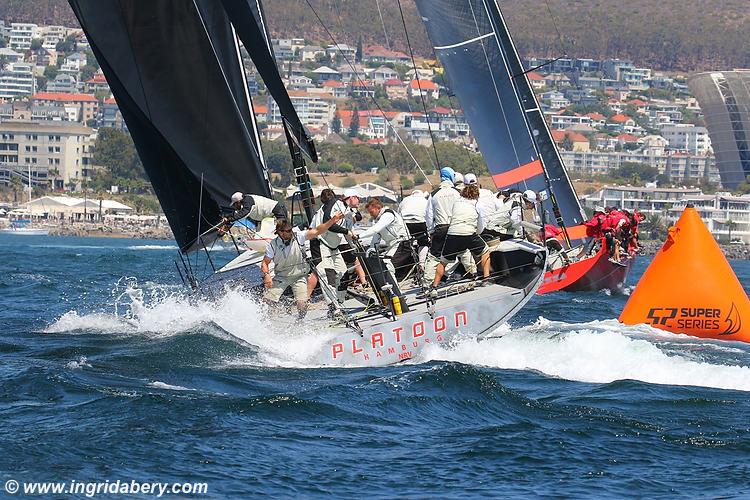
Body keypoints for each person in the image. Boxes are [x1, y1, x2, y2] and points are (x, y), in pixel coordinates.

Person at [260, 212, 345, 318]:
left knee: (302, 304)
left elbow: (317, 230)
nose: (291, 232)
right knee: (268, 300)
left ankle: (300, 321)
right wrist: (267, 275)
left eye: (291, 229)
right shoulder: (272, 245)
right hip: (282, 276)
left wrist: (332, 220)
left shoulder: (298, 236)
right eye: (288, 231)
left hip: (299, 276)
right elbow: (264, 263)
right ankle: (263, 319)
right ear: (280, 232)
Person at [429, 184, 491, 297]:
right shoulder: (477, 204)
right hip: (468, 232)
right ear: (476, 194)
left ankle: (434, 287)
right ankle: (486, 278)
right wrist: (477, 233)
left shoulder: (457, 203)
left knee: (443, 261)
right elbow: (481, 223)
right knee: (485, 251)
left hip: (452, 233)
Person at [310, 188, 351, 316]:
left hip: (333, 246)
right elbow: (330, 225)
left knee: (344, 274)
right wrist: (347, 232)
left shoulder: (337, 206)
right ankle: (334, 307)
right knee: (328, 277)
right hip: (319, 245)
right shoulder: (334, 203)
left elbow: (354, 216)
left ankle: (338, 301)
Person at [354, 198, 411, 281]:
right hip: (394, 246)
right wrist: (371, 249)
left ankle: (394, 291)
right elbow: (376, 238)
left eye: (371, 212)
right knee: (383, 264)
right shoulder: (380, 220)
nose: (371, 215)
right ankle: (388, 288)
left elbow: (376, 229)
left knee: (388, 266)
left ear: (378, 208)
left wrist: (359, 236)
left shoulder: (388, 215)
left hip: (403, 244)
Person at [424, 167, 460, 283]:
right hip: (455, 226)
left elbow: (429, 214)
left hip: (440, 228)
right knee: (462, 252)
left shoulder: (434, 194)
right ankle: (471, 272)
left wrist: (431, 231)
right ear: (451, 177)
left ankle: (428, 281)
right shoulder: (457, 192)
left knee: (434, 256)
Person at [338, 189, 367, 288]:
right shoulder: (344, 210)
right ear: (352, 198)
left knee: (355, 260)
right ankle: (363, 282)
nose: (359, 200)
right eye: (357, 198)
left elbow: (357, 218)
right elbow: (344, 228)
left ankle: (360, 282)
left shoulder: (348, 210)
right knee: (357, 260)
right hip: (341, 242)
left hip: (344, 241)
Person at [398, 189, 430, 261]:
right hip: (420, 222)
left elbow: (398, 213)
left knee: (406, 242)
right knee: (423, 242)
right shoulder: (425, 201)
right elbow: (429, 215)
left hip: (405, 223)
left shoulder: (405, 200)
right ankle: (422, 263)